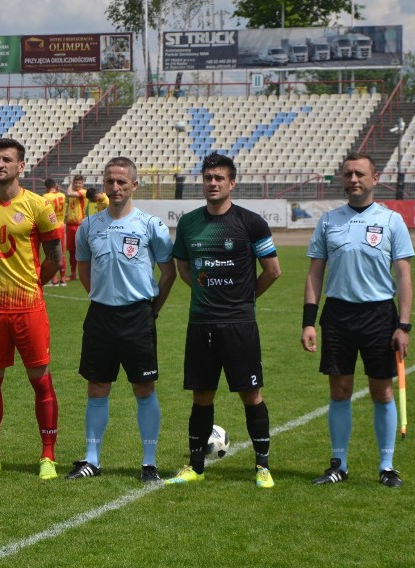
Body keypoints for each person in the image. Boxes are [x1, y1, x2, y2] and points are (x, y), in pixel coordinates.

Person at [165, 152, 281, 489]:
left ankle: (262, 467)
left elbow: (273, 270)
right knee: (201, 397)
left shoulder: (251, 222)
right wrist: (204, 291)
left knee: (251, 394)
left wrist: (244, 298)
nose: (212, 183)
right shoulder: (189, 223)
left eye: (219, 178)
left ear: (232, 183)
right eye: (208, 178)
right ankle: (196, 467)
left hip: (239, 324)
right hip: (201, 323)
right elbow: (184, 267)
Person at [301, 152, 414, 488]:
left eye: (360, 174)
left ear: (374, 178)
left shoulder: (392, 221)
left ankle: (387, 465)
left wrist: (403, 325)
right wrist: (309, 321)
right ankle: (339, 463)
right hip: (337, 315)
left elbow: (404, 277)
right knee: (340, 390)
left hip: (379, 314)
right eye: (348, 174)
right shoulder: (328, 220)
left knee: (381, 391)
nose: (353, 179)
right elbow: (314, 273)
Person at [65, 157, 176, 483]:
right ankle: (92, 459)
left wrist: (151, 310)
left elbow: (168, 273)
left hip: (137, 316)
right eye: (110, 181)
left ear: (134, 186)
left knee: (144, 387)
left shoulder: (150, 225)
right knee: (97, 387)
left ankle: (149, 462)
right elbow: (83, 269)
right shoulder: (89, 226)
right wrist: (101, 296)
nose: (115, 188)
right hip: (100, 315)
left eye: (122, 182)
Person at [0, 138, 63, 481]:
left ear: (21, 166)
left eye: (6, 159)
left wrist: (33, 284)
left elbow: (55, 259)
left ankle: (47, 455)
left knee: (41, 381)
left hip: (29, 308)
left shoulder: (38, 206)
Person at [42, 177, 67, 286]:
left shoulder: (45, 196)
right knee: (62, 254)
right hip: (62, 225)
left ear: (46, 187)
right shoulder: (62, 195)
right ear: (55, 185)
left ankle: (54, 280)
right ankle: (63, 279)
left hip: (52, 227)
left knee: (52, 254)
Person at [64, 174, 89, 281]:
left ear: (83, 184)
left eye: (79, 183)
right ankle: (73, 274)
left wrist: (70, 184)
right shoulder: (72, 196)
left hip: (79, 225)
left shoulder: (83, 192)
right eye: (76, 183)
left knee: (82, 250)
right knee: (71, 251)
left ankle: (85, 272)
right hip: (70, 225)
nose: (78, 185)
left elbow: (69, 193)